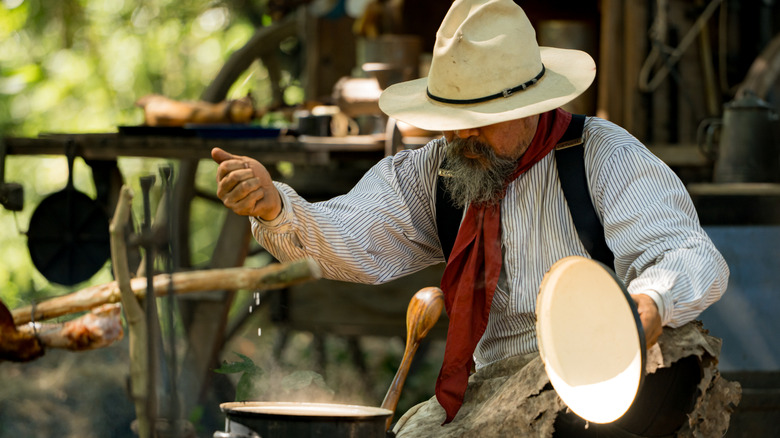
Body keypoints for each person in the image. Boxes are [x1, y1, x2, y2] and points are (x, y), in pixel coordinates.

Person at [212, 0, 739, 436]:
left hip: (596, 383)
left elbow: (686, 254)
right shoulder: (437, 169)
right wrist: (275, 206)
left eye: (479, 122)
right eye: (451, 121)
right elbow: (353, 233)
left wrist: (646, 307)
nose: (462, 137)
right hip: (492, 387)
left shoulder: (600, 154)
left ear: (529, 105)